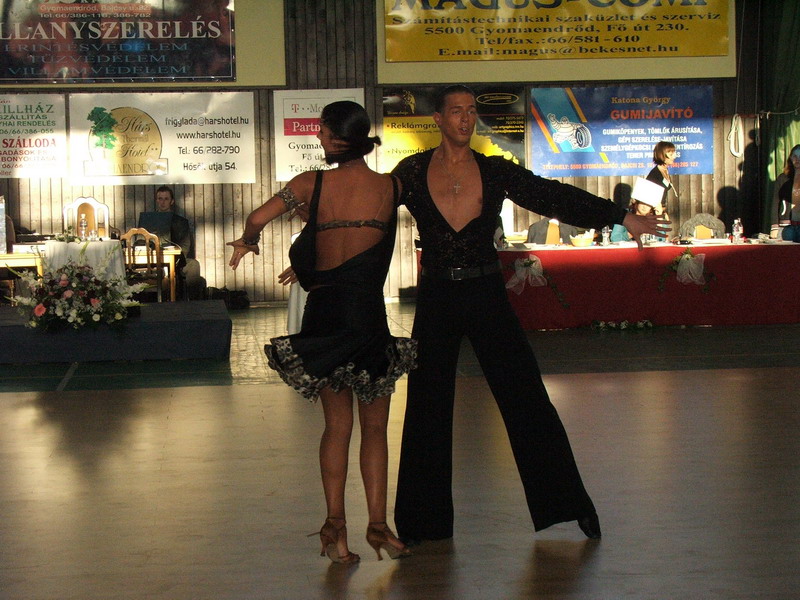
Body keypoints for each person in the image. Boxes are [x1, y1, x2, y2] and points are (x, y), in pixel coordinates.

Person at [391, 84, 669, 544]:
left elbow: (552, 196)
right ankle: (423, 523)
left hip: (486, 292)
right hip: (438, 295)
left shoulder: (494, 170)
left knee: (527, 399)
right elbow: (371, 213)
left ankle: (569, 505)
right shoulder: (412, 171)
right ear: (438, 119)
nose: (465, 118)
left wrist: (622, 217)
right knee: (426, 405)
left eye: (471, 111)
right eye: (456, 111)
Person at [227, 101, 417, 564]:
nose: (318, 138)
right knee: (376, 428)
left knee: (337, 427)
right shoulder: (392, 187)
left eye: (321, 132)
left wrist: (249, 242)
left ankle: (335, 529)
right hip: (367, 316)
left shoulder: (309, 184)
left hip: (326, 315)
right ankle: (379, 527)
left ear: (334, 138)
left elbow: (257, 218)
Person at [153, 186, 205, 300]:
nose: (163, 202)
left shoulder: (181, 222)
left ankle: (194, 303)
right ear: (156, 200)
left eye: (166, 199)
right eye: (160, 199)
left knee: (193, 265)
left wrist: (176, 256)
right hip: (154, 260)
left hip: (177, 260)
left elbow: (185, 246)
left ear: (172, 201)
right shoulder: (148, 221)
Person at [646, 141, 678, 210]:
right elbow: (649, 199)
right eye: (671, 154)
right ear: (662, 155)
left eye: (674, 154)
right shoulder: (654, 175)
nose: (674, 156)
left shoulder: (665, 170)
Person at [777, 144, 800, 228]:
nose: (797, 159)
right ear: (790, 158)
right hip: (786, 225)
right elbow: (775, 201)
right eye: (795, 156)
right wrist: (774, 225)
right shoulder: (783, 178)